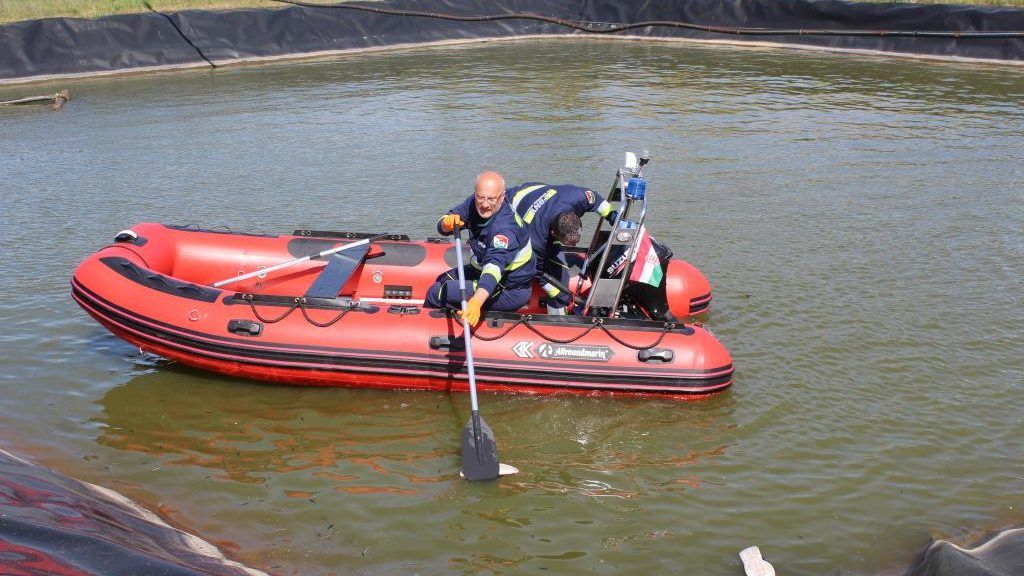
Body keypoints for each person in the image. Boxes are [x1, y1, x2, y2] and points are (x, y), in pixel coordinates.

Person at [424, 172, 535, 325]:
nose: (484, 204)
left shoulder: (505, 230)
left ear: (502, 197)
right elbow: (447, 221)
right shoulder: (475, 202)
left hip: (507, 287)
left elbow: (493, 268)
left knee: (437, 292)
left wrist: (476, 300)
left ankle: (425, 332)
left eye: (491, 199)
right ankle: (452, 316)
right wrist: (445, 223)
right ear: (476, 193)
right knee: (442, 280)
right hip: (481, 269)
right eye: (481, 197)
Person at [506, 183, 617, 314]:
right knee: (560, 289)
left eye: (576, 242)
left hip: (535, 196)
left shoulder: (578, 197)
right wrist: (560, 293)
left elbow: (596, 200)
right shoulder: (535, 240)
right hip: (511, 209)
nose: (574, 246)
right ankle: (556, 322)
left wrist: (614, 217)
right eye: (571, 244)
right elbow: (535, 270)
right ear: (553, 234)